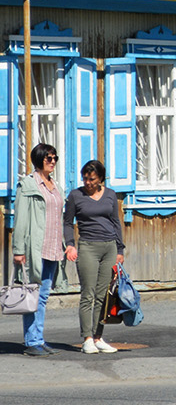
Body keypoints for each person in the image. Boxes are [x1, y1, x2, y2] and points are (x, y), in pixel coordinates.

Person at [64, 158, 127, 354]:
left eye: (92, 179)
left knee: (103, 296)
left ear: (100, 178)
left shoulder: (110, 195)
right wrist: (70, 245)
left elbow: (116, 222)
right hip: (88, 247)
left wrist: (119, 250)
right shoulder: (75, 195)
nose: (88, 183)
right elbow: (67, 223)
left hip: (109, 248)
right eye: (85, 179)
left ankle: (98, 337)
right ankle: (87, 339)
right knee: (88, 294)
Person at [11, 143, 67, 356]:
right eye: (48, 158)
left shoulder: (56, 185)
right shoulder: (28, 185)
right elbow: (21, 218)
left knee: (42, 296)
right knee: (31, 295)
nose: (52, 162)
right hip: (34, 248)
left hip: (53, 247)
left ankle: (38, 338)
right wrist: (18, 249)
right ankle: (32, 341)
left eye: (55, 158)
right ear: (39, 160)